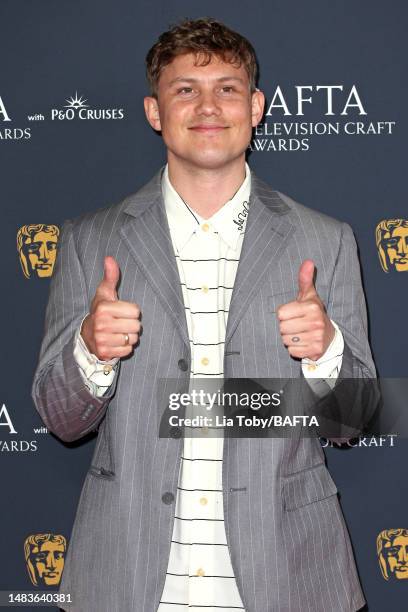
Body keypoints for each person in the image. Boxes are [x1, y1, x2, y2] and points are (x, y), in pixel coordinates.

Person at [32, 17, 376, 612]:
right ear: (154, 111)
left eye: (228, 88)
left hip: (286, 576)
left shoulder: (326, 240)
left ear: (258, 106)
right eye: (185, 89)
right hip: (130, 577)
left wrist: (326, 353)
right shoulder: (91, 239)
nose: (208, 106)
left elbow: (355, 424)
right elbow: (62, 420)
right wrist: (90, 351)